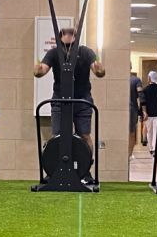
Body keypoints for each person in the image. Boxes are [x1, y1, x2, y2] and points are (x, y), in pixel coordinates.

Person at [34, 26, 106, 157]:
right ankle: (57, 169)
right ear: (59, 41)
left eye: (70, 45)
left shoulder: (86, 52)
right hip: (59, 100)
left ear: (76, 41)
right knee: (57, 136)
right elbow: (42, 70)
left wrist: (99, 70)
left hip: (82, 100)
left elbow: (97, 71)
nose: (67, 49)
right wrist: (38, 71)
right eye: (64, 45)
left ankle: (86, 168)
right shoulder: (54, 53)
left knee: (84, 136)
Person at [142, 71, 157, 157]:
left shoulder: (145, 90)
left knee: (150, 131)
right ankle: (154, 148)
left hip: (148, 114)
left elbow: (143, 103)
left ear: (149, 78)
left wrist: (142, 113)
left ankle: (151, 148)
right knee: (155, 131)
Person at [129, 69, 145, 160]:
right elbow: (141, 95)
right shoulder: (136, 80)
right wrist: (143, 110)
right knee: (131, 132)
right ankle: (130, 154)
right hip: (132, 109)